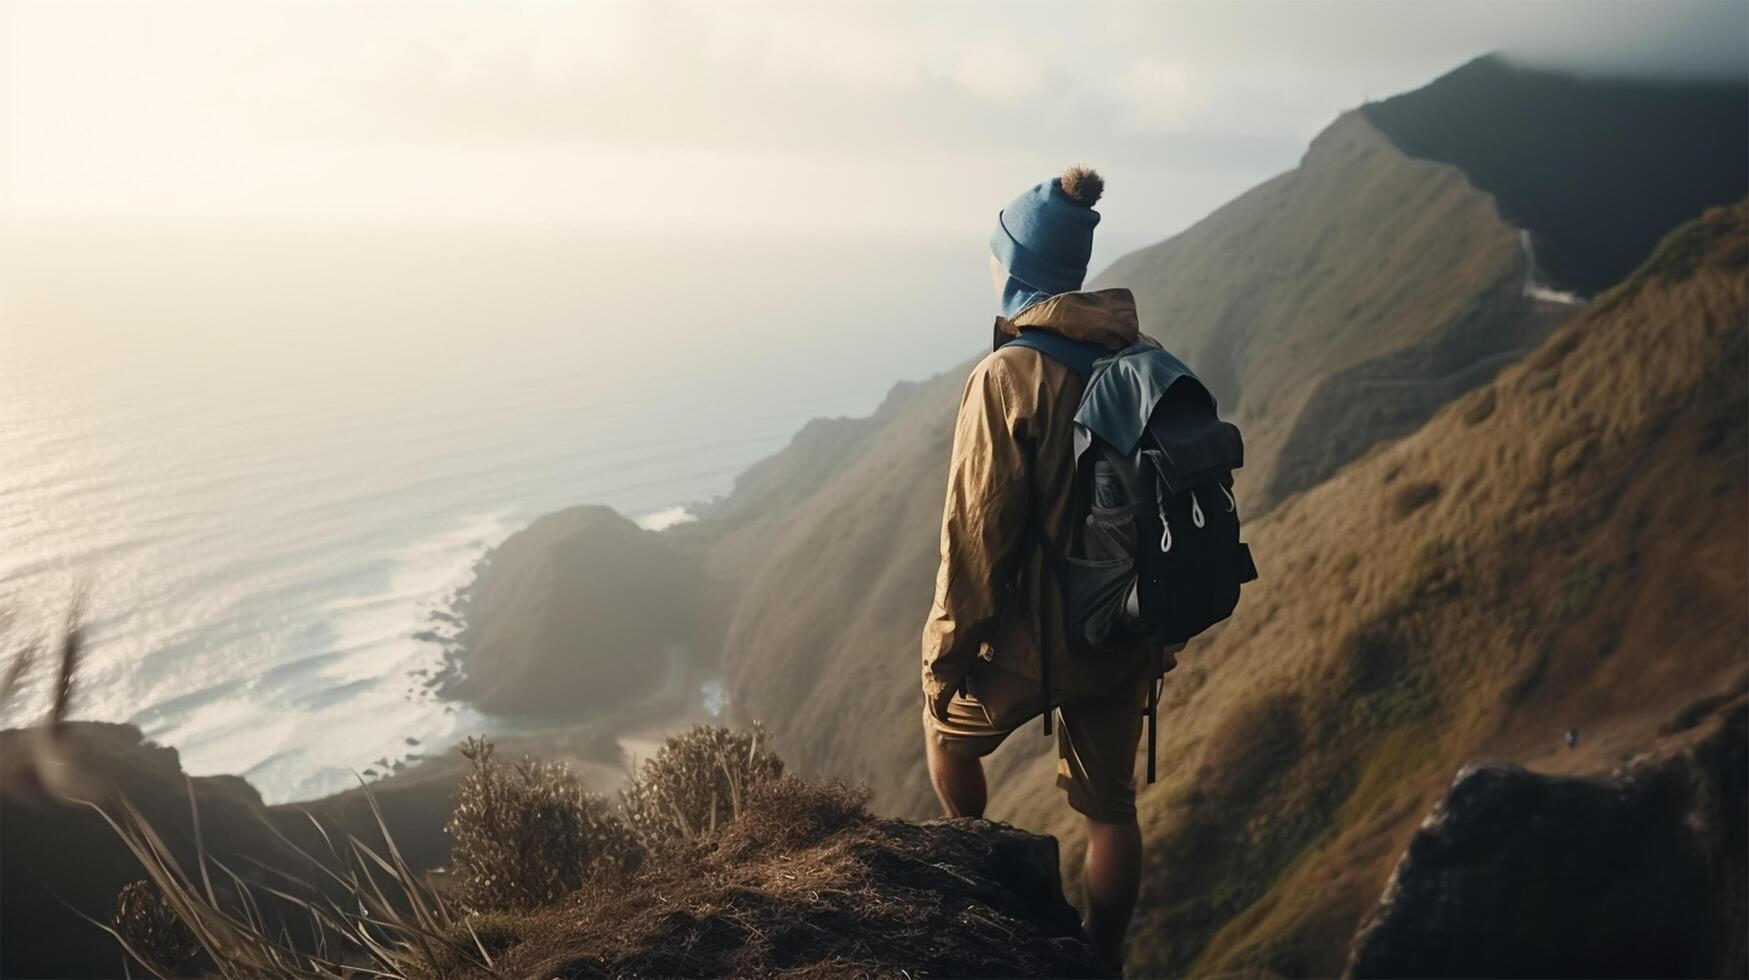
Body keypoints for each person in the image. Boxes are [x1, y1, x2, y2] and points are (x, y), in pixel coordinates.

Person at [920, 166, 1171, 970]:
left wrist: (946, 657)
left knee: (945, 736)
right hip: (1124, 630)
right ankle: (1099, 958)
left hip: (1028, 645)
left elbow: (974, 534)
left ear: (1016, 264)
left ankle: (980, 885)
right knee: (1110, 813)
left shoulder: (1007, 376)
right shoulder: (1145, 358)